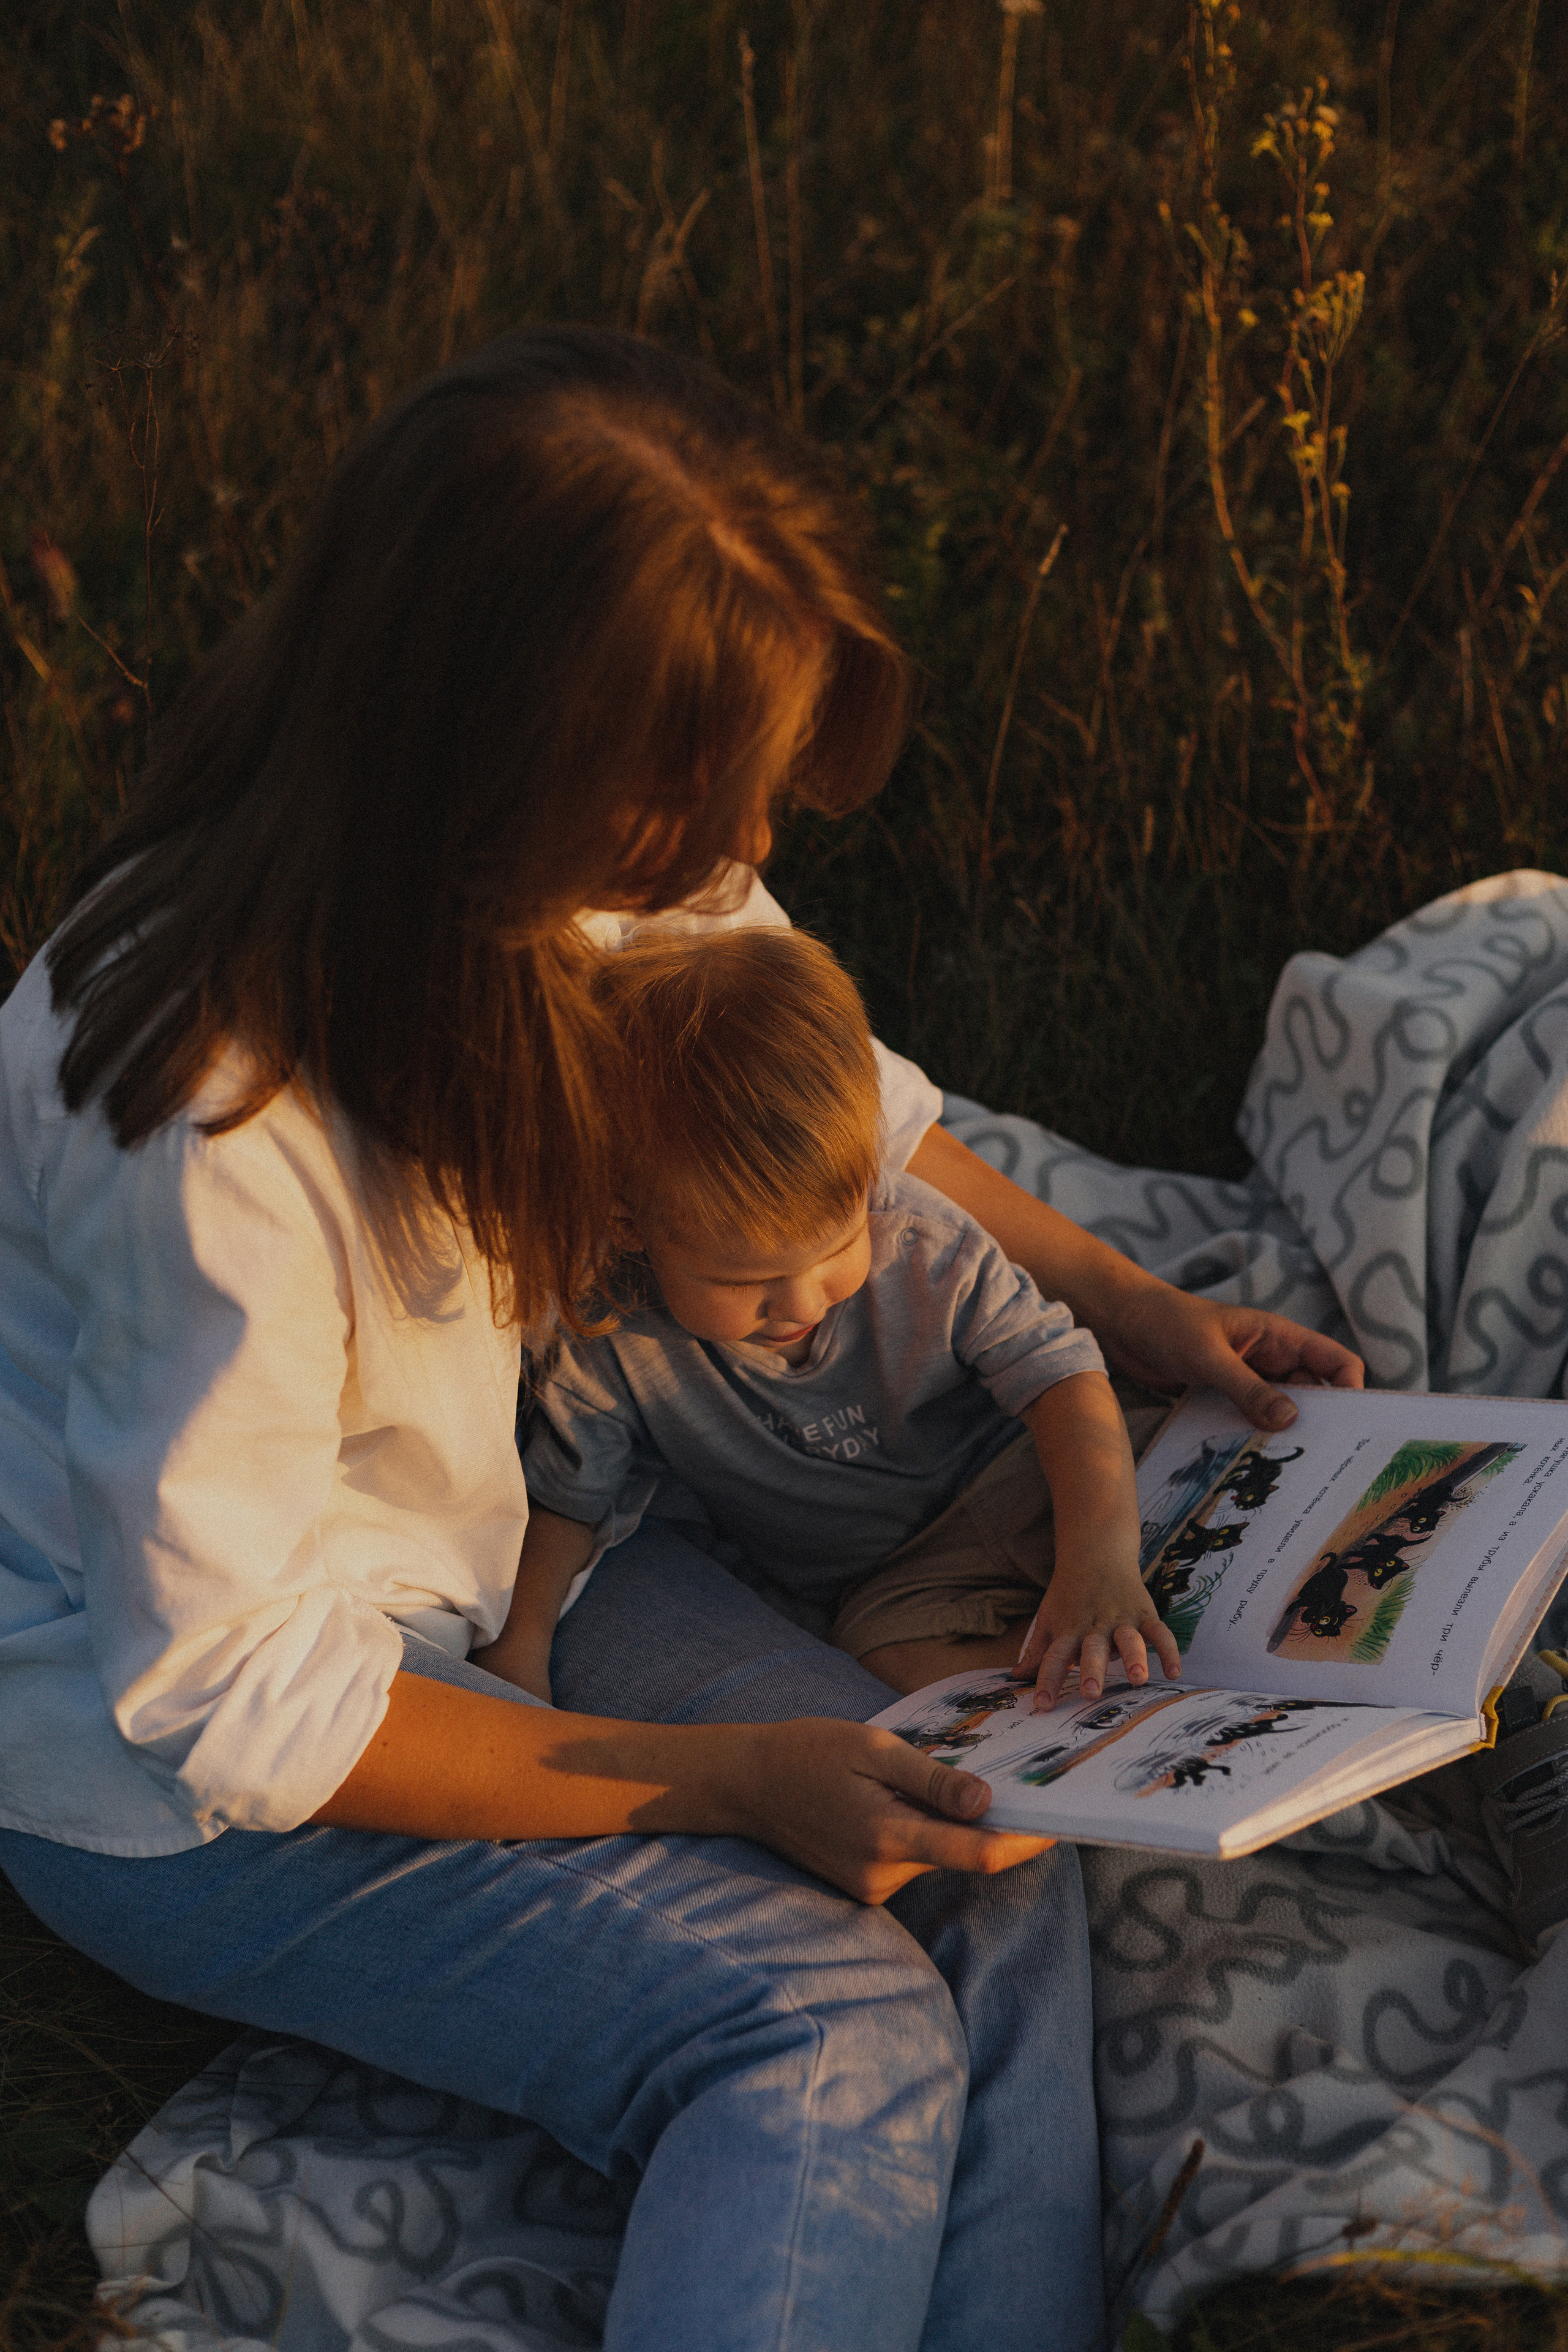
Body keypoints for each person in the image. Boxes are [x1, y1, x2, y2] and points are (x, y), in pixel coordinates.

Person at [0, 325, 1361, 2352]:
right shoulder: (213, 1125)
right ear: (495, 777)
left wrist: (1131, 1304)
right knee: (825, 2033)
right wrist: (717, 1780)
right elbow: (239, 1702)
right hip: (194, 1771)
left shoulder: (576, 882)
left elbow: (844, 1104)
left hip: (513, 1551)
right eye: (686, 817)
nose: (738, 867)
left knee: (980, 1837)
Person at [479, 925, 1183, 1709]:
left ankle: (1127, 1608)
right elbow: (568, 1504)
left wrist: (1097, 1557)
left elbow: (1063, 1377)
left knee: (1169, 1462)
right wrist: (519, 1653)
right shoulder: (611, 1332)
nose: (804, 1303)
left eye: (839, 1245)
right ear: (628, 1223)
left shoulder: (917, 1241)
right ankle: (1087, 1669)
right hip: (907, 1573)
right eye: (745, 1279)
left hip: (1029, 1473)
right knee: (879, 1655)